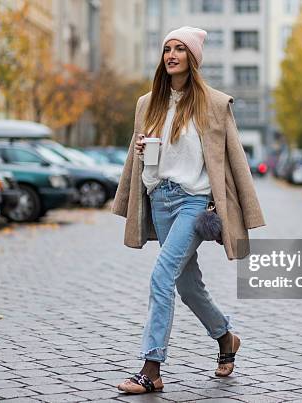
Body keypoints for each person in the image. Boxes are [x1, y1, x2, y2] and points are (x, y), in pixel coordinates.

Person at [111, 26, 266, 394]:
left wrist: (236, 206)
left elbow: (232, 158)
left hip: (193, 202)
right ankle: (226, 337)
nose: (171, 55)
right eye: (167, 48)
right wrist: (140, 148)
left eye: (180, 49)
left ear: (192, 58)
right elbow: (145, 158)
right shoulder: (147, 104)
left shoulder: (212, 104)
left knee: (161, 276)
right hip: (160, 199)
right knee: (187, 284)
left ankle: (151, 368)